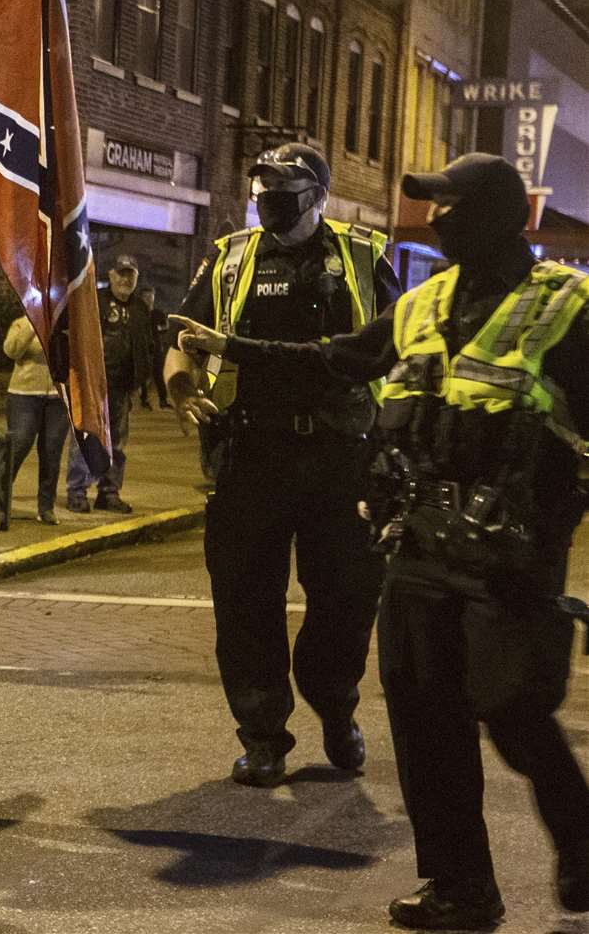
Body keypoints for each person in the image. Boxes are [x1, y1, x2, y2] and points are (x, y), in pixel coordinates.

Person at [173, 152, 589, 929]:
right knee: (425, 725)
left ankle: (580, 834)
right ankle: (460, 889)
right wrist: (227, 350)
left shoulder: (565, 306)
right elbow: (336, 361)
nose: (435, 220)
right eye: (430, 207)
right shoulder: (424, 303)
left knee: (511, 710)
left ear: (499, 217)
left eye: (451, 206)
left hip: (511, 557)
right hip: (419, 548)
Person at [164, 143, 396, 789]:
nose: (268, 199)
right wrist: (181, 387)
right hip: (250, 456)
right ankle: (262, 736)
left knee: (345, 601)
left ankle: (334, 704)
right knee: (243, 604)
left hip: (339, 458)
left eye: (284, 188)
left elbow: (388, 352)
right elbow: (183, 338)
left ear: (317, 194)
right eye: (261, 187)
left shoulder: (362, 255)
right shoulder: (230, 256)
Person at [65, 253, 152, 514]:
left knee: (117, 444)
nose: (126, 279)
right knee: (85, 437)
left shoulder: (140, 308)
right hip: (94, 384)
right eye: (121, 273)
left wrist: (142, 384)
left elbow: (147, 346)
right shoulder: (96, 302)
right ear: (111, 275)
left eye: (131, 274)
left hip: (123, 387)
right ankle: (77, 491)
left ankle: (109, 491)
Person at [2, 315, 67, 525]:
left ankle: (46, 508)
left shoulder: (67, 324)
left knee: (52, 451)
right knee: (18, 446)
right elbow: (11, 350)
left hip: (58, 397)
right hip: (24, 395)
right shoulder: (21, 322)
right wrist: (34, 322)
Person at [137, 286, 171, 410]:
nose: (149, 299)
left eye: (151, 296)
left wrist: (158, 330)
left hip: (156, 348)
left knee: (159, 375)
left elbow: (165, 328)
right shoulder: (138, 314)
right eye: (146, 297)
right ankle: (144, 400)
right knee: (143, 376)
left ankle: (163, 400)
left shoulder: (158, 314)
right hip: (143, 349)